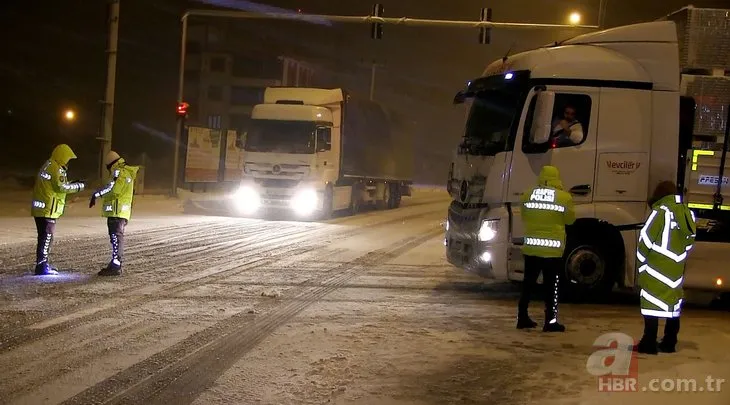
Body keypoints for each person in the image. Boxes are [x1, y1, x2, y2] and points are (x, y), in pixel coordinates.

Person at [636, 181, 696, 354]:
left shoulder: (660, 212)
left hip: (655, 267)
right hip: (675, 270)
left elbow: (645, 240)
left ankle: (648, 343)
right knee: (673, 306)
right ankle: (670, 342)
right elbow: (690, 240)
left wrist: (641, 265)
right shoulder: (687, 213)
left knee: (651, 304)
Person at [518, 165, 575, 332]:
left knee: (528, 284)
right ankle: (550, 321)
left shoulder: (528, 194)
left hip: (531, 248)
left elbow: (523, 216)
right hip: (552, 251)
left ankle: (522, 317)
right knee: (552, 287)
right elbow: (570, 220)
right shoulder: (564, 197)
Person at [30, 144, 85, 275]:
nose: (68, 162)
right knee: (47, 237)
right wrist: (78, 186)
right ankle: (42, 266)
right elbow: (61, 187)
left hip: (41, 209)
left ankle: (41, 264)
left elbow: (55, 184)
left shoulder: (48, 165)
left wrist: (69, 183)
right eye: (67, 159)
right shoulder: (56, 168)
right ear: (62, 156)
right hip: (49, 209)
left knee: (43, 237)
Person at [89, 151, 139, 276]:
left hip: (117, 211)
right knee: (116, 238)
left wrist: (97, 194)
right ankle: (115, 263)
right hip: (121, 211)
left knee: (116, 238)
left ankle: (116, 265)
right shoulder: (125, 171)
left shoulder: (118, 172)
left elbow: (114, 190)